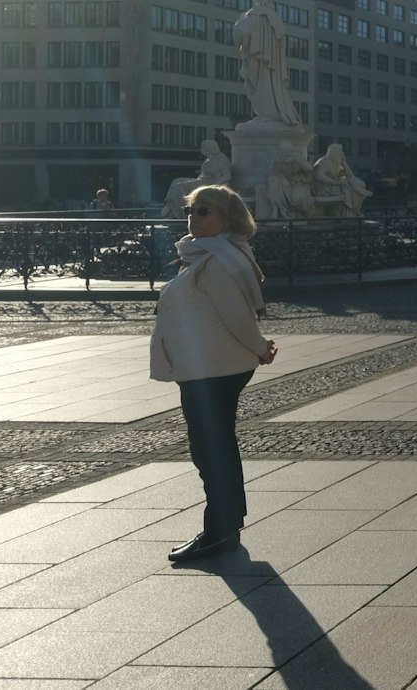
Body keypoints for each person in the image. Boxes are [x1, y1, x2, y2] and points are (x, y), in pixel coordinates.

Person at [149, 184, 276, 563]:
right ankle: (226, 525)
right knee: (216, 446)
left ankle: (219, 531)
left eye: (205, 211)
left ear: (227, 217)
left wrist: (258, 346)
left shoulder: (220, 259)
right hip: (211, 365)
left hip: (213, 369)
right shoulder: (211, 253)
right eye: (191, 210)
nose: (194, 218)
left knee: (210, 450)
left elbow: (237, 315)